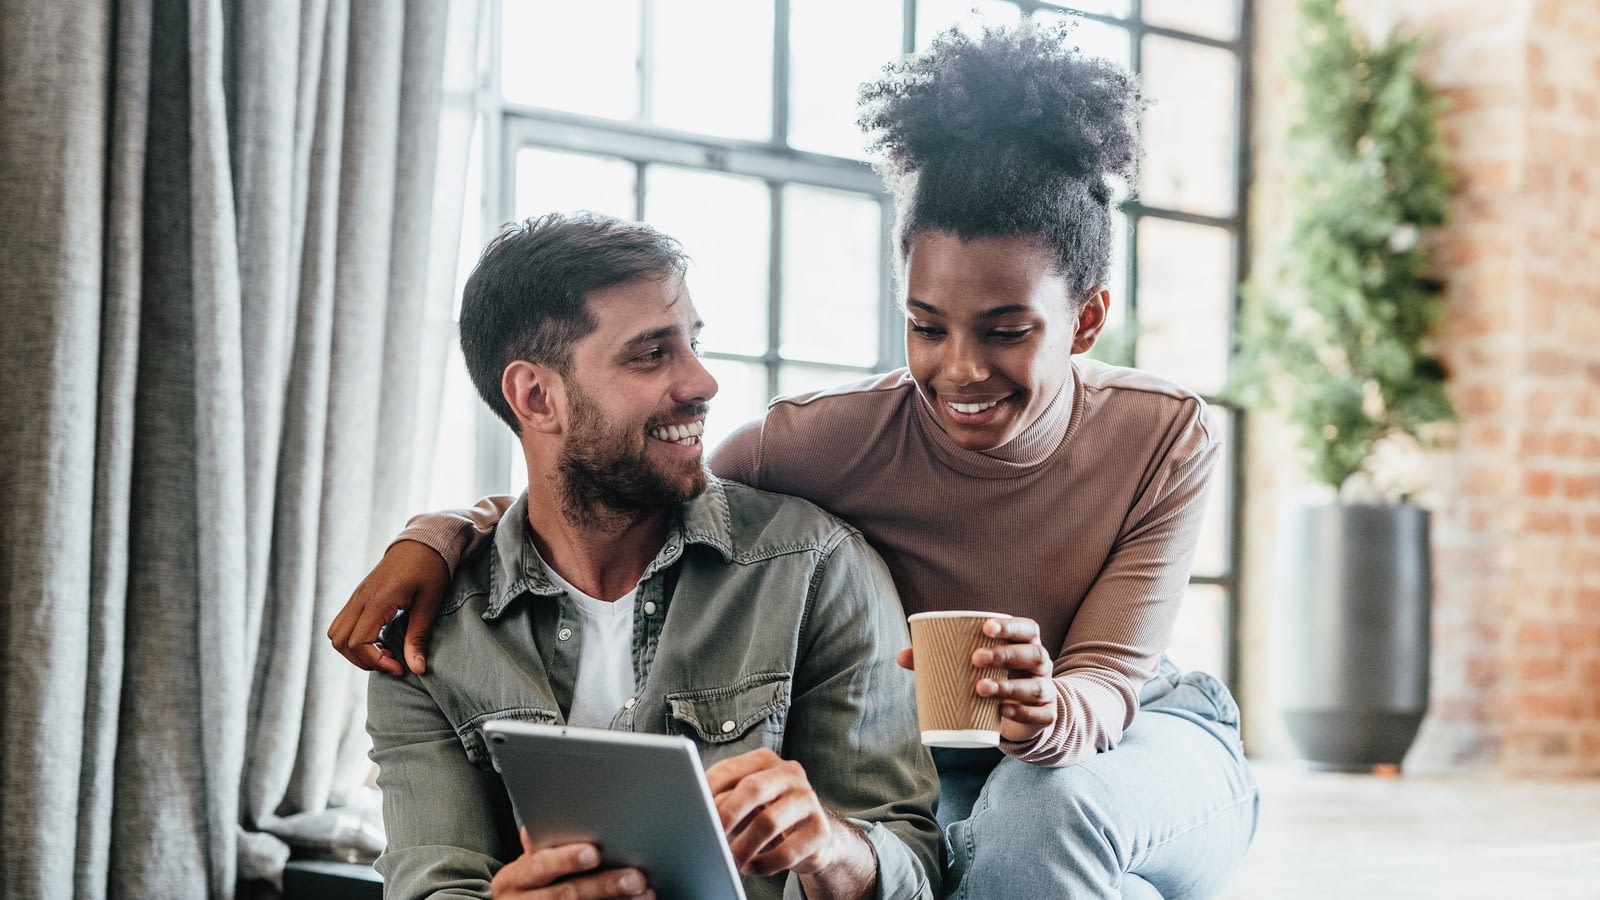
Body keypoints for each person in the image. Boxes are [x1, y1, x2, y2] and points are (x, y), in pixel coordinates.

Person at [333, 20, 1258, 899]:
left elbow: (1105, 680)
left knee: (1038, 816)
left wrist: (1049, 712)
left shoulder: (1162, 432)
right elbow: (608, 493)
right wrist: (442, 536)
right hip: (950, 767)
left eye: (1008, 330)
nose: (962, 369)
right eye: (926, 326)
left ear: (1086, 319)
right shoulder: (807, 446)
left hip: (1129, 739)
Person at [361, 211, 941, 900]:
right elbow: (432, 882)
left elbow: (913, 865)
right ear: (535, 396)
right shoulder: (429, 635)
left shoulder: (814, 569)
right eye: (651, 353)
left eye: (692, 343)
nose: (701, 382)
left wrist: (828, 846)